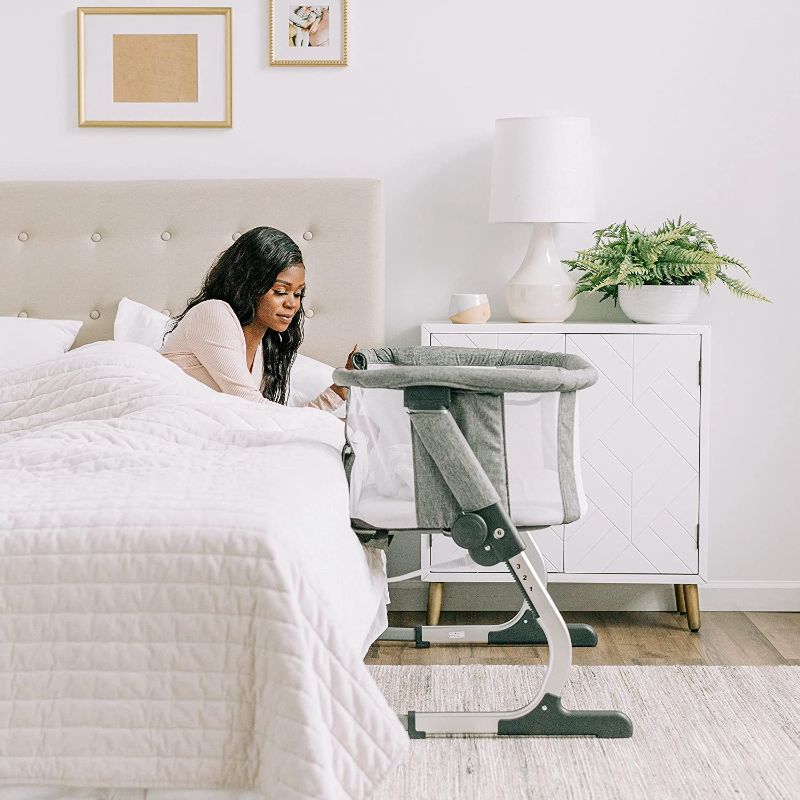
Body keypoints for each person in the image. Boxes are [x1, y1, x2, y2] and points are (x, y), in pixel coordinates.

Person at [160, 226, 353, 413]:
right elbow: (253, 407)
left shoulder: (264, 349)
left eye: (298, 294)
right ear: (250, 285)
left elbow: (266, 418)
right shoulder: (212, 314)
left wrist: (339, 391)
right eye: (280, 291)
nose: (292, 304)